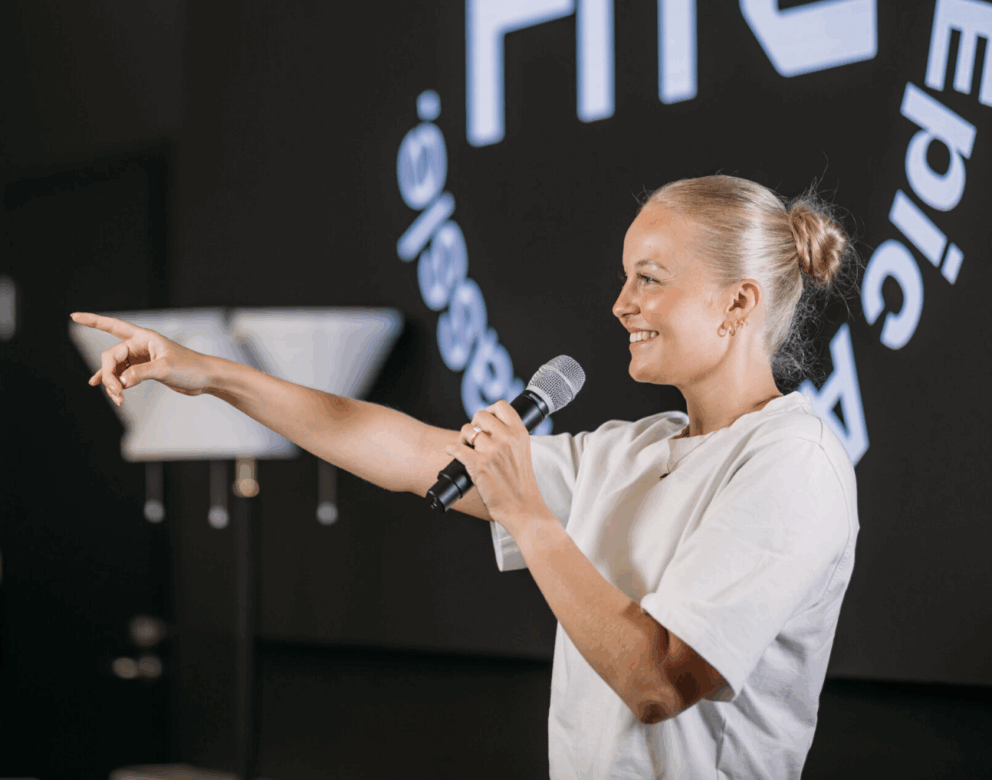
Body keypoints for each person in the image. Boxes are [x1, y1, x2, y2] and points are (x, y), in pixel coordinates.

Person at [72, 173, 860, 780]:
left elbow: (658, 684)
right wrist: (211, 374)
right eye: (625, 278)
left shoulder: (792, 460)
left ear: (738, 304)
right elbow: (403, 449)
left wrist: (528, 512)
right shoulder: (634, 449)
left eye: (649, 279)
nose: (622, 304)